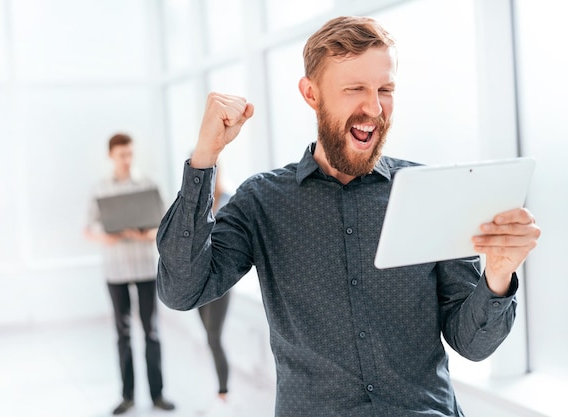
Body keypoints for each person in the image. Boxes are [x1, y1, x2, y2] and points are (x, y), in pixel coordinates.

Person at [155, 16, 541, 417]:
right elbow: (182, 290)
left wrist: (497, 274)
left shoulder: (430, 192)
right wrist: (205, 158)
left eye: (385, 89)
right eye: (355, 89)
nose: (373, 108)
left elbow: (472, 344)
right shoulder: (262, 201)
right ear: (311, 94)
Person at [84, 133, 175, 415]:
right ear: (111, 156)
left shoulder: (148, 185)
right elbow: (88, 229)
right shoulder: (100, 189)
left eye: (130, 154)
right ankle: (128, 397)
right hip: (116, 270)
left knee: (151, 331)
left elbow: (165, 226)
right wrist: (108, 236)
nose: (127, 160)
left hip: (145, 267)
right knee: (122, 334)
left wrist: (146, 234)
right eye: (122, 155)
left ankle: (158, 395)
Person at [195, 163, 233, 416]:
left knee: (213, 337)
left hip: (220, 282)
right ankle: (218, 393)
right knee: (209, 338)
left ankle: (223, 393)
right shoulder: (194, 204)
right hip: (198, 281)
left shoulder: (230, 199)